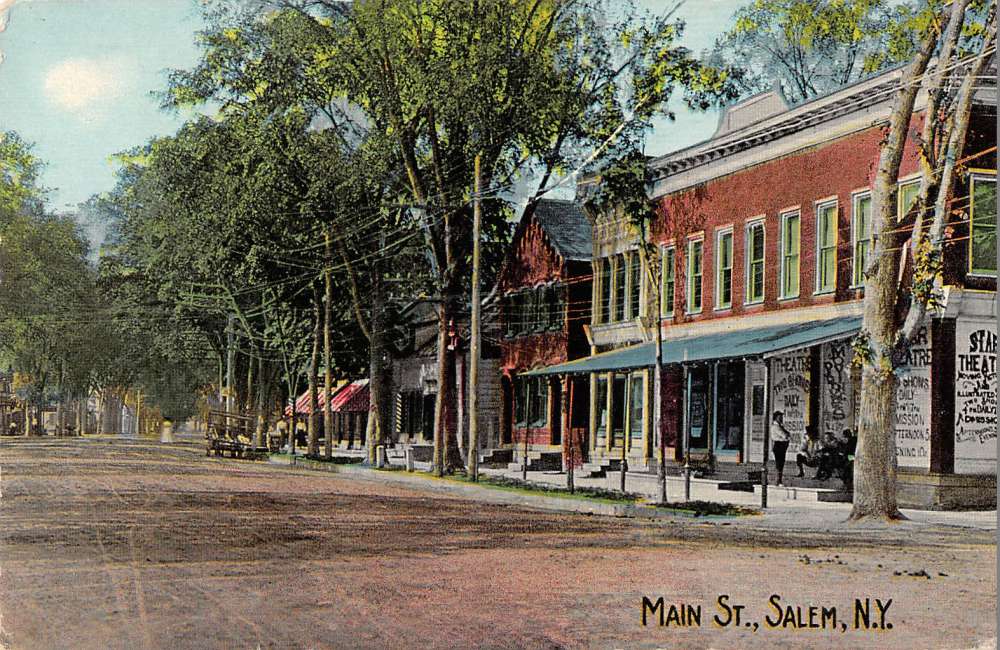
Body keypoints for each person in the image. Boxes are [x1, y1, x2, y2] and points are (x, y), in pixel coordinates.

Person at [770, 411, 791, 486]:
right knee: (779, 463)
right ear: (776, 418)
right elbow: (785, 435)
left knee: (781, 463)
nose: (781, 419)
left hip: (782, 445)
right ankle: (778, 480)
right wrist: (787, 434)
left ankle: (779, 480)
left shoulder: (780, 426)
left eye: (781, 417)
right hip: (779, 445)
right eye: (779, 417)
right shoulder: (776, 427)